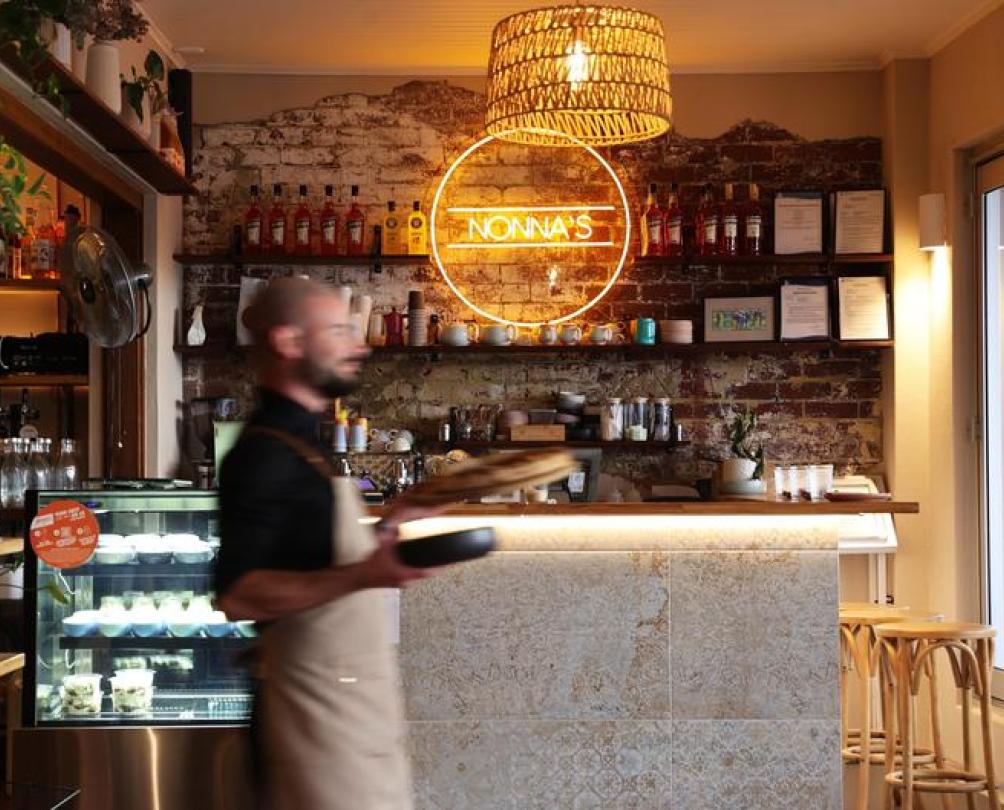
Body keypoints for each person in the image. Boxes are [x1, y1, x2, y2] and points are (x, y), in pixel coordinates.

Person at [216, 276, 437, 810]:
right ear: (289, 343)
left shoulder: (300, 441)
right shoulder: (263, 452)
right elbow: (238, 594)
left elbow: (309, 552)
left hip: (346, 712)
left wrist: (390, 525)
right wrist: (365, 574)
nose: (358, 346)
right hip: (312, 723)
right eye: (338, 331)